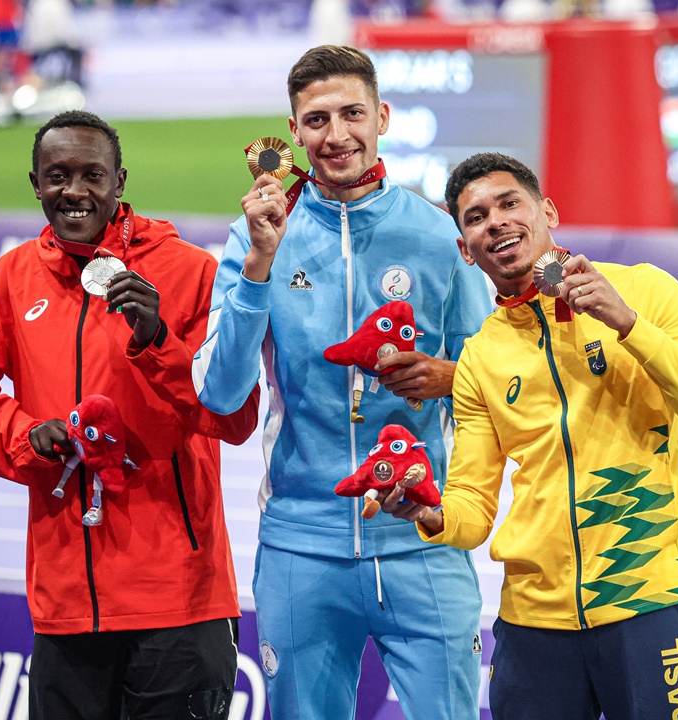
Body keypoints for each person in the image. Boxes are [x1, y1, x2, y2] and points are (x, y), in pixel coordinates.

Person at [382, 152, 678, 720]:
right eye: (475, 218)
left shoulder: (643, 292)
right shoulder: (481, 355)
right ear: (465, 248)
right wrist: (426, 513)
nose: (496, 222)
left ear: (546, 211)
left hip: (646, 605)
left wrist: (629, 325)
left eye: (509, 204)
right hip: (533, 627)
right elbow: (473, 509)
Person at [193, 45, 491, 719]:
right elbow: (219, 394)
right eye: (317, 119)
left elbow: (496, 383)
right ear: (293, 132)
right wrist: (261, 265)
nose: (337, 135)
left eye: (352, 113)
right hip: (302, 545)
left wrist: (450, 378)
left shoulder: (440, 237)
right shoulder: (256, 238)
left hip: (422, 539)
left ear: (382, 116)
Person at [0, 110, 260, 720]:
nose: (74, 190)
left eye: (92, 174)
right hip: (67, 600)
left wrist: (159, 340)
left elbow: (237, 416)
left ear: (120, 181)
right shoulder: (14, 275)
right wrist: (28, 437)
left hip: (178, 599)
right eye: (57, 176)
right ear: (35, 183)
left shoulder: (189, 271)